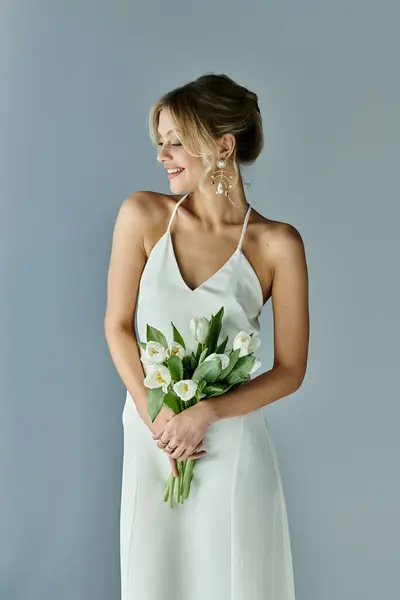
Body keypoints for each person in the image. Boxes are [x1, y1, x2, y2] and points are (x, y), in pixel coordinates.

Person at [104, 73, 309, 600]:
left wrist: (205, 414)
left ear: (223, 146)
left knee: (233, 578)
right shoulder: (143, 215)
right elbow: (117, 327)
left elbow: (290, 370)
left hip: (229, 442)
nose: (162, 155)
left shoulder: (277, 244)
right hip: (154, 436)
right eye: (160, 142)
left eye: (176, 141)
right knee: (154, 576)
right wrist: (159, 420)